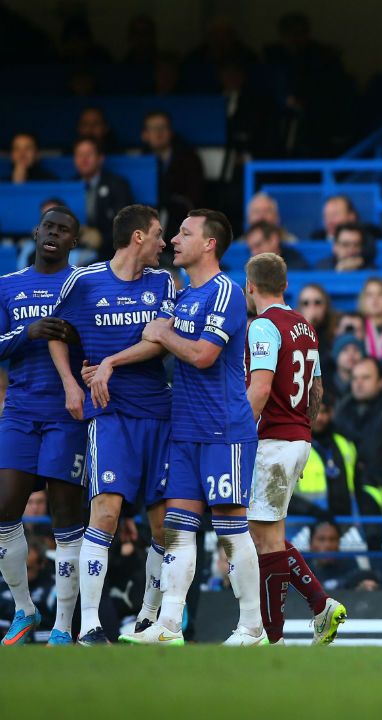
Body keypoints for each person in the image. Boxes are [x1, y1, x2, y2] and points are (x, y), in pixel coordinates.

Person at [123, 209, 263, 646]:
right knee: (177, 527)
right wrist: (109, 362)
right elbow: (154, 335)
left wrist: (164, 336)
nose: (174, 241)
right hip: (184, 431)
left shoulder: (226, 292)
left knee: (229, 527)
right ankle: (168, 625)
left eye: (185, 233)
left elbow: (203, 355)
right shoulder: (182, 296)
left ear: (209, 244)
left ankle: (252, 627)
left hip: (223, 430)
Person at [47, 204, 175, 645]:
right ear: (138, 237)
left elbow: (159, 342)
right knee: (105, 513)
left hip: (158, 412)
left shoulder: (162, 282)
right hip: (111, 415)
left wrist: (107, 364)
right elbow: (55, 332)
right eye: (159, 234)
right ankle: (91, 625)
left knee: (164, 526)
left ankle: (147, 618)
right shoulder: (84, 281)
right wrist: (70, 384)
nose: (165, 243)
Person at [241, 252, 347, 646]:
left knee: (263, 540)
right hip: (298, 437)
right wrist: (303, 436)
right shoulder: (305, 326)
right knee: (267, 534)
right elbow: (316, 390)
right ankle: (320, 605)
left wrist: (237, 436)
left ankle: (274, 637)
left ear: (250, 286)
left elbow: (261, 388)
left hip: (273, 440)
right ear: (285, 285)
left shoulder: (263, 327)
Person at [0, 207, 87, 645]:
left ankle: (62, 626)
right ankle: (24, 609)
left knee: (67, 517)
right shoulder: (6, 287)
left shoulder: (83, 284)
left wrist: (78, 340)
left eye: (64, 230)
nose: (54, 234)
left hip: (67, 415)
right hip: (18, 412)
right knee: (4, 509)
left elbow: (102, 339)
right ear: (36, 232)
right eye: (49, 227)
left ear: (74, 241)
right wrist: (27, 333)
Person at [140, 111, 205, 233]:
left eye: (163, 127)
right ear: (145, 135)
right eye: (153, 128)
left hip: (179, 222)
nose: (159, 132)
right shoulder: (140, 162)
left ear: (171, 132)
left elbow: (193, 198)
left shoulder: (189, 159)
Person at [71, 137, 134, 258]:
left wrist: (102, 239)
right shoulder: (69, 185)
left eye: (89, 154)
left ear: (100, 158)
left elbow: (125, 224)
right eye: (79, 155)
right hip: (74, 249)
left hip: (108, 252)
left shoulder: (118, 185)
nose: (84, 159)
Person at [334, 357, 382, 442]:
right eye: (354, 378)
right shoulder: (341, 410)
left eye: (366, 377)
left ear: (381, 382)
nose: (358, 383)